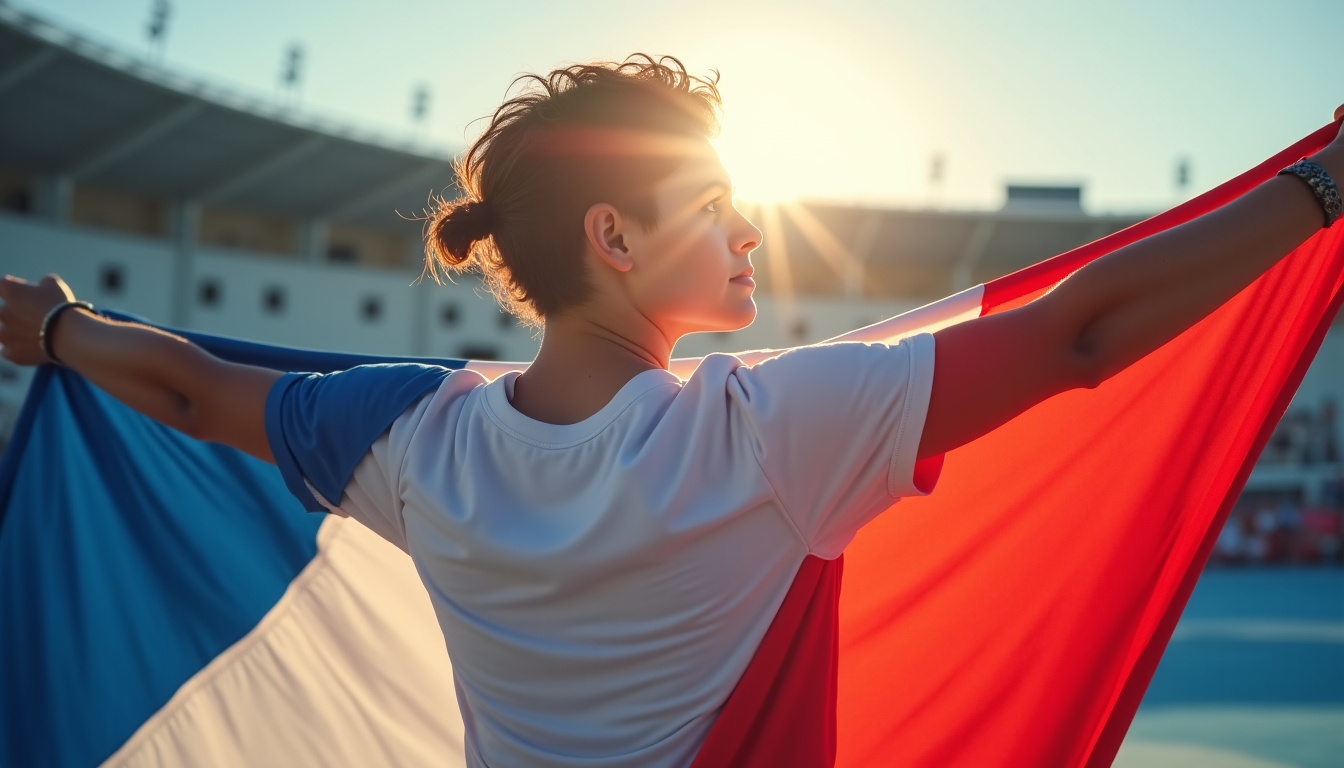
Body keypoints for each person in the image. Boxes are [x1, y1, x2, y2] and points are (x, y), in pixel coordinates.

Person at [1, 55, 1341, 767]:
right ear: (614, 237)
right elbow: (1083, 335)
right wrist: (1325, 187)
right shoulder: (769, 433)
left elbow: (184, 383)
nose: (752, 229)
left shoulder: (407, 436)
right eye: (715, 205)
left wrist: (60, 328)